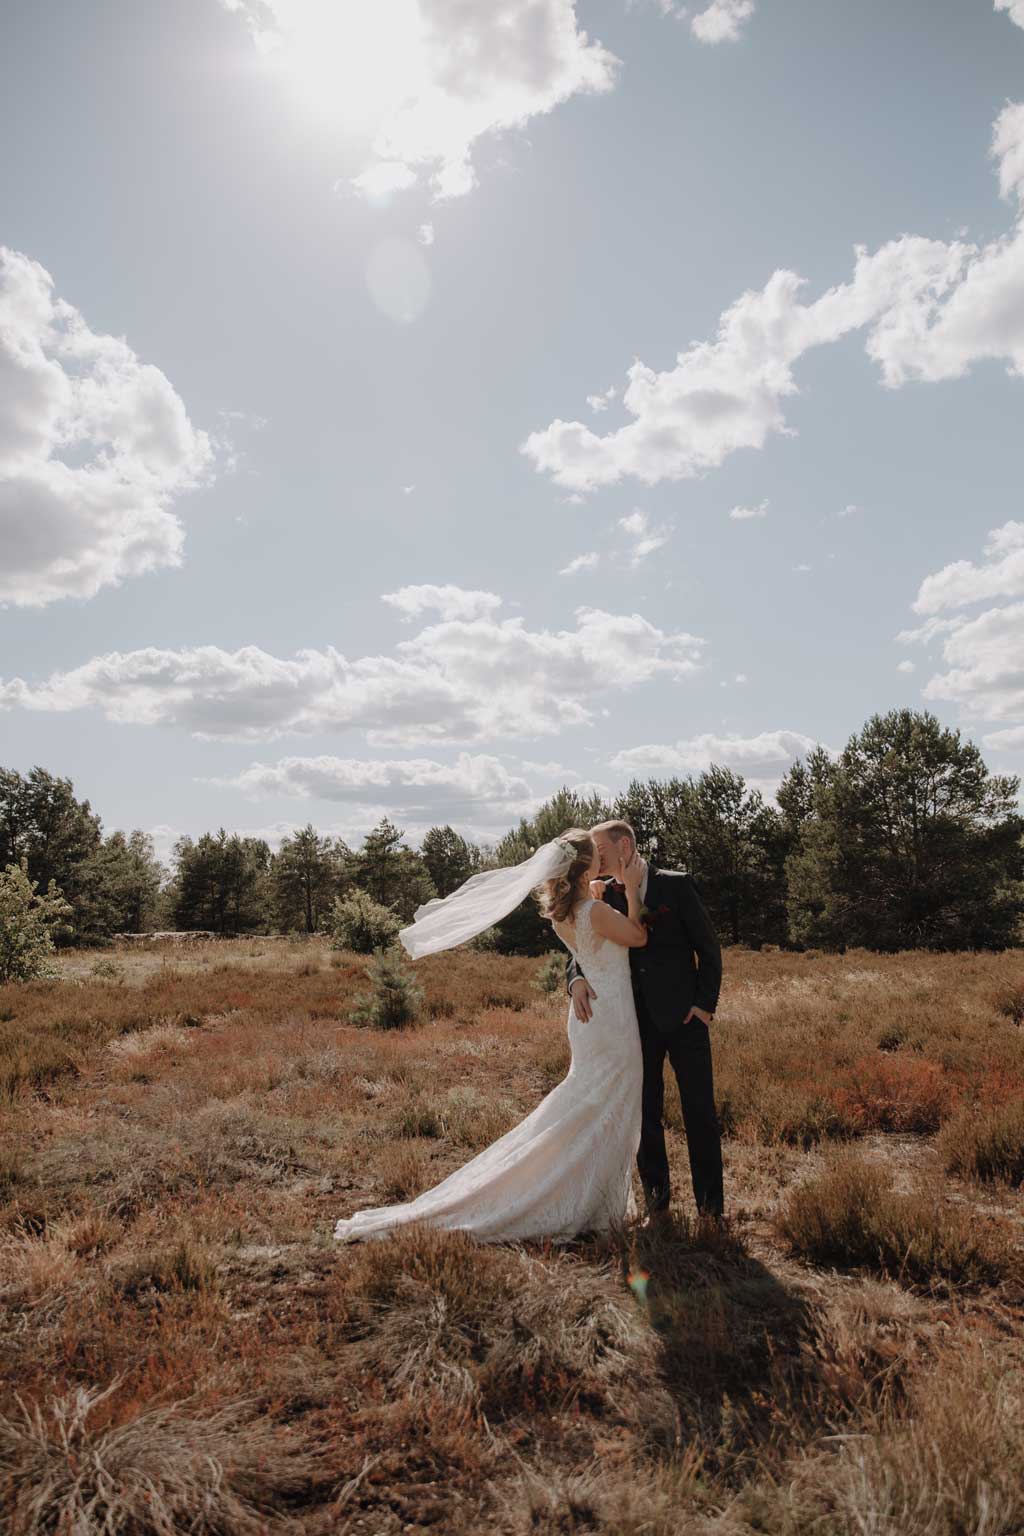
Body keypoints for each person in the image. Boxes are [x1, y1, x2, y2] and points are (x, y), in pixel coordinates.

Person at [333, 828, 649, 1245]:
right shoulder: (595, 913)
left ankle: (590, 1196)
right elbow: (639, 936)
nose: (601, 861)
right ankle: (586, 1200)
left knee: (588, 1105)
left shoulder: (565, 914)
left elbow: (586, 953)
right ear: (584, 865)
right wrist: (629, 888)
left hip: (591, 1020)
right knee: (608, 1105)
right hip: (611, 1020)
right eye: (595, 855)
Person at [567, 820, 724, 1221]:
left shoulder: (675, 884)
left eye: (599, 847)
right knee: (645, 1113)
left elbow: (708, 947)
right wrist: (577, 979)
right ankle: (658, 1205)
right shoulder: (602, 897)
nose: (594, 855)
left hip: (686, 1018)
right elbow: (581, 945)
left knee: (699, 1112)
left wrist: (704, 1007)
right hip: (633, 1024)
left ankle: (711, 1209)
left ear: (623, 846)